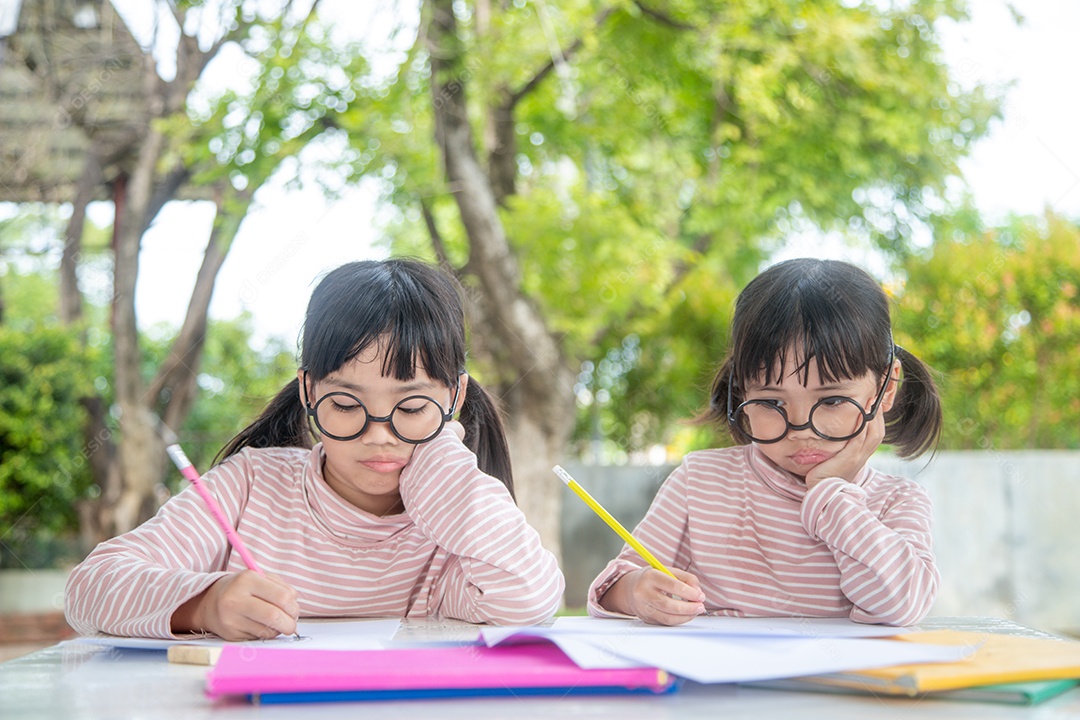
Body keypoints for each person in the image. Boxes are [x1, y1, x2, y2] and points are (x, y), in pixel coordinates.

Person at [66, 259, 564, 640]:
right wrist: (205, 604)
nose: (379, 434)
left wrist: (454, 478)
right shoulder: (250, 486)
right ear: (308, 390)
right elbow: (91, 587)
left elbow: (532, 600)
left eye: (412, 407)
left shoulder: (455, 531)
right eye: (345, 404)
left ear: (454, 396)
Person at [589, 258, 942, 627]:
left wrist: (829, 492)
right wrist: (636, 592)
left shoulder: (897, 502)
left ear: (887, 387)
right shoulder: (699, 482)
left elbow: (900, 605)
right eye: (773, 402)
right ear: (742, 390)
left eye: (833, 400)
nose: (801, 429)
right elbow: (613, 587)